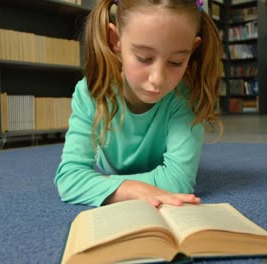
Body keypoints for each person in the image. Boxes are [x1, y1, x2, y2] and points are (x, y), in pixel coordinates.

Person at [55, 0, 223, 207]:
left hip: (110, 179)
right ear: (115, 40)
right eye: (144, 58)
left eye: (176, 62)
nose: (158, 79)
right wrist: (133, 189)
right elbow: (69, 179)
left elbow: (179, 182)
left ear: (192, 50)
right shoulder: (91, 92)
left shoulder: (184, 97)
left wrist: (104, 184)